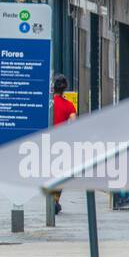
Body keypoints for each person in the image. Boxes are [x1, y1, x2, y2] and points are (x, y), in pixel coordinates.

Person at [50, 75, 77, 216]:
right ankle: (55, 199)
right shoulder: (69, 105)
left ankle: (52, 199)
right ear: (65, 88)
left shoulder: (49, 103)